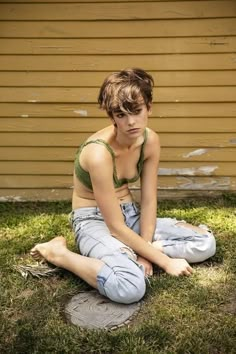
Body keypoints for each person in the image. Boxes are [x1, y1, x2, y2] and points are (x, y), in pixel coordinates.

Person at [31, 68, 216, 304]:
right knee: (129, 287)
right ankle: (59, 253)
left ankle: (130, 253)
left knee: (205, 243)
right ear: (112, 117)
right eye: (120, 114)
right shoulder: (98, 153)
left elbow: (148, 200)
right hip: (95, 221)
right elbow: (115, 227)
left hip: (130, 215)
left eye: (137, 111)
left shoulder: (150, 141)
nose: (130, 122)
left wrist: (145, 252)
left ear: (149, 107)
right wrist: (166, 262)